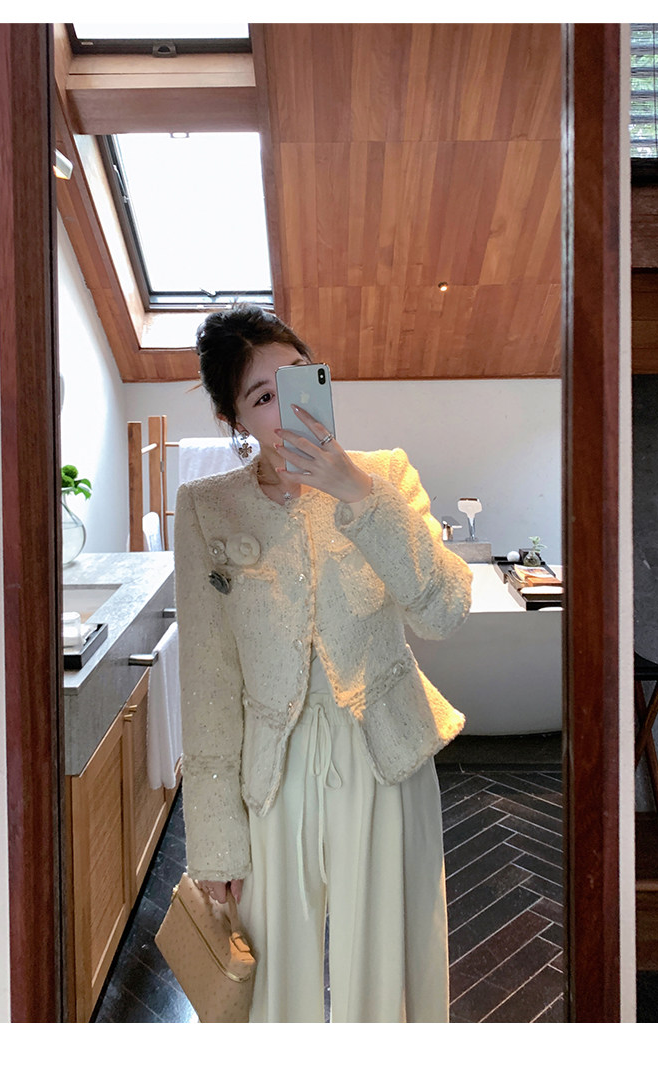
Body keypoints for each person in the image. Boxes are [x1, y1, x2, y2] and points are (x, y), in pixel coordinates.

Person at [174, 305, 472, 1023]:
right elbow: (209, 681)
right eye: (262, 396)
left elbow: (445, 611)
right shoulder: (209, 509)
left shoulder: (384, 475)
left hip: (385, 753)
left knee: (391, 969)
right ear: (234, 419)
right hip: (271, 773)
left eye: (298, 379)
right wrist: (214, 841)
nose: (288, 408)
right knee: (274, 985)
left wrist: (355, 492)